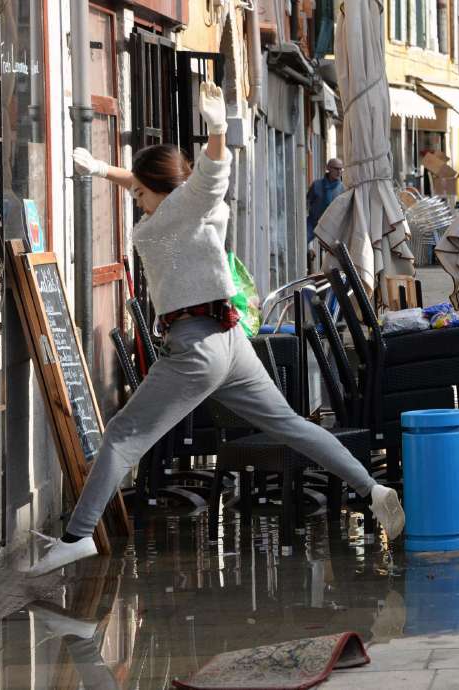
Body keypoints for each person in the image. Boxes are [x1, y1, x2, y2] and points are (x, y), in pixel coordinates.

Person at [27, 83, 404, 577]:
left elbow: (210, 175)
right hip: (231, 343)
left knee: (121, 436)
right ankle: (372, 490)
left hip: (194, 348)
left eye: (139, 193)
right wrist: (103, 170)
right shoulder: (192, 210)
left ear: (161, 191)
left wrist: (218, 130)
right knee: (292, 425)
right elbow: (166, 184)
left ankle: (77, 538)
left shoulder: (186, 205)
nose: (136, 201)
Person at [308, 158, 345, 246]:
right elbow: (308, 201)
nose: (339, 172)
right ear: (328, 168)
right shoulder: (316, 185)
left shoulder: (343, 189)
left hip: (333, 227)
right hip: (314, 223)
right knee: (302, 238)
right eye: (336, 168)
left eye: (341, 169)